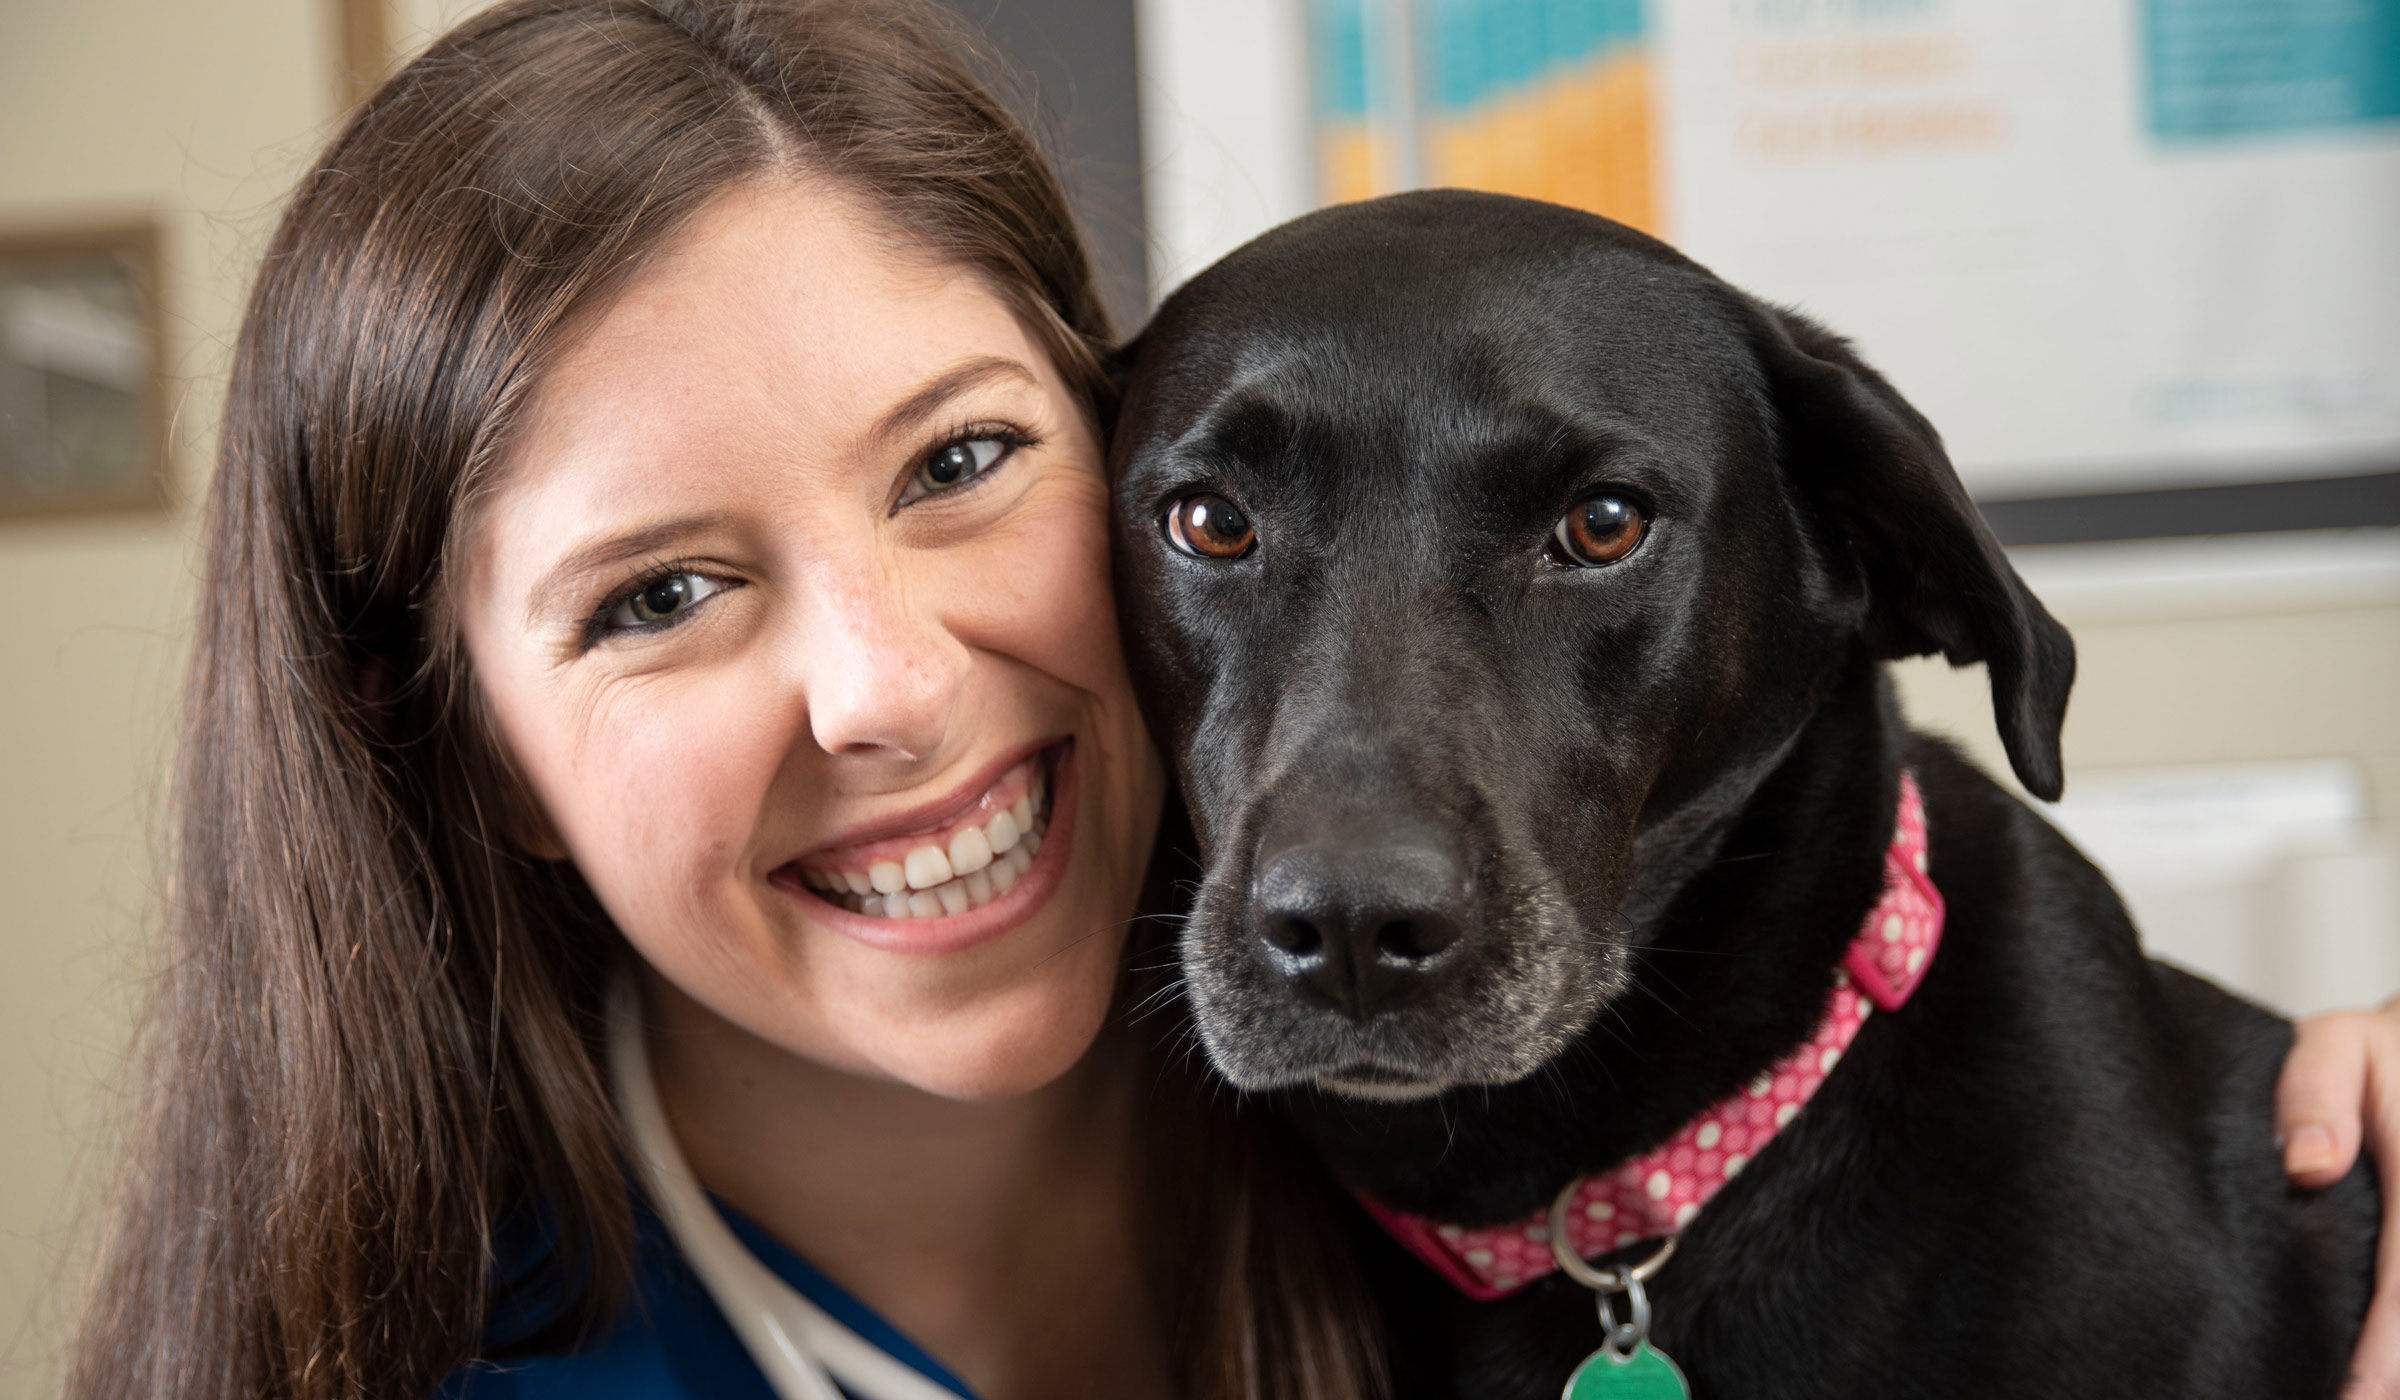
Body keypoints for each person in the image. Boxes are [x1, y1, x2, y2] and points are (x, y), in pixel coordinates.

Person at [62, 2, 2400, 1398]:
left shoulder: (1448, 1184)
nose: (889, 688)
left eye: (962, 465)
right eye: (660, 590)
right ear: (454, 736)